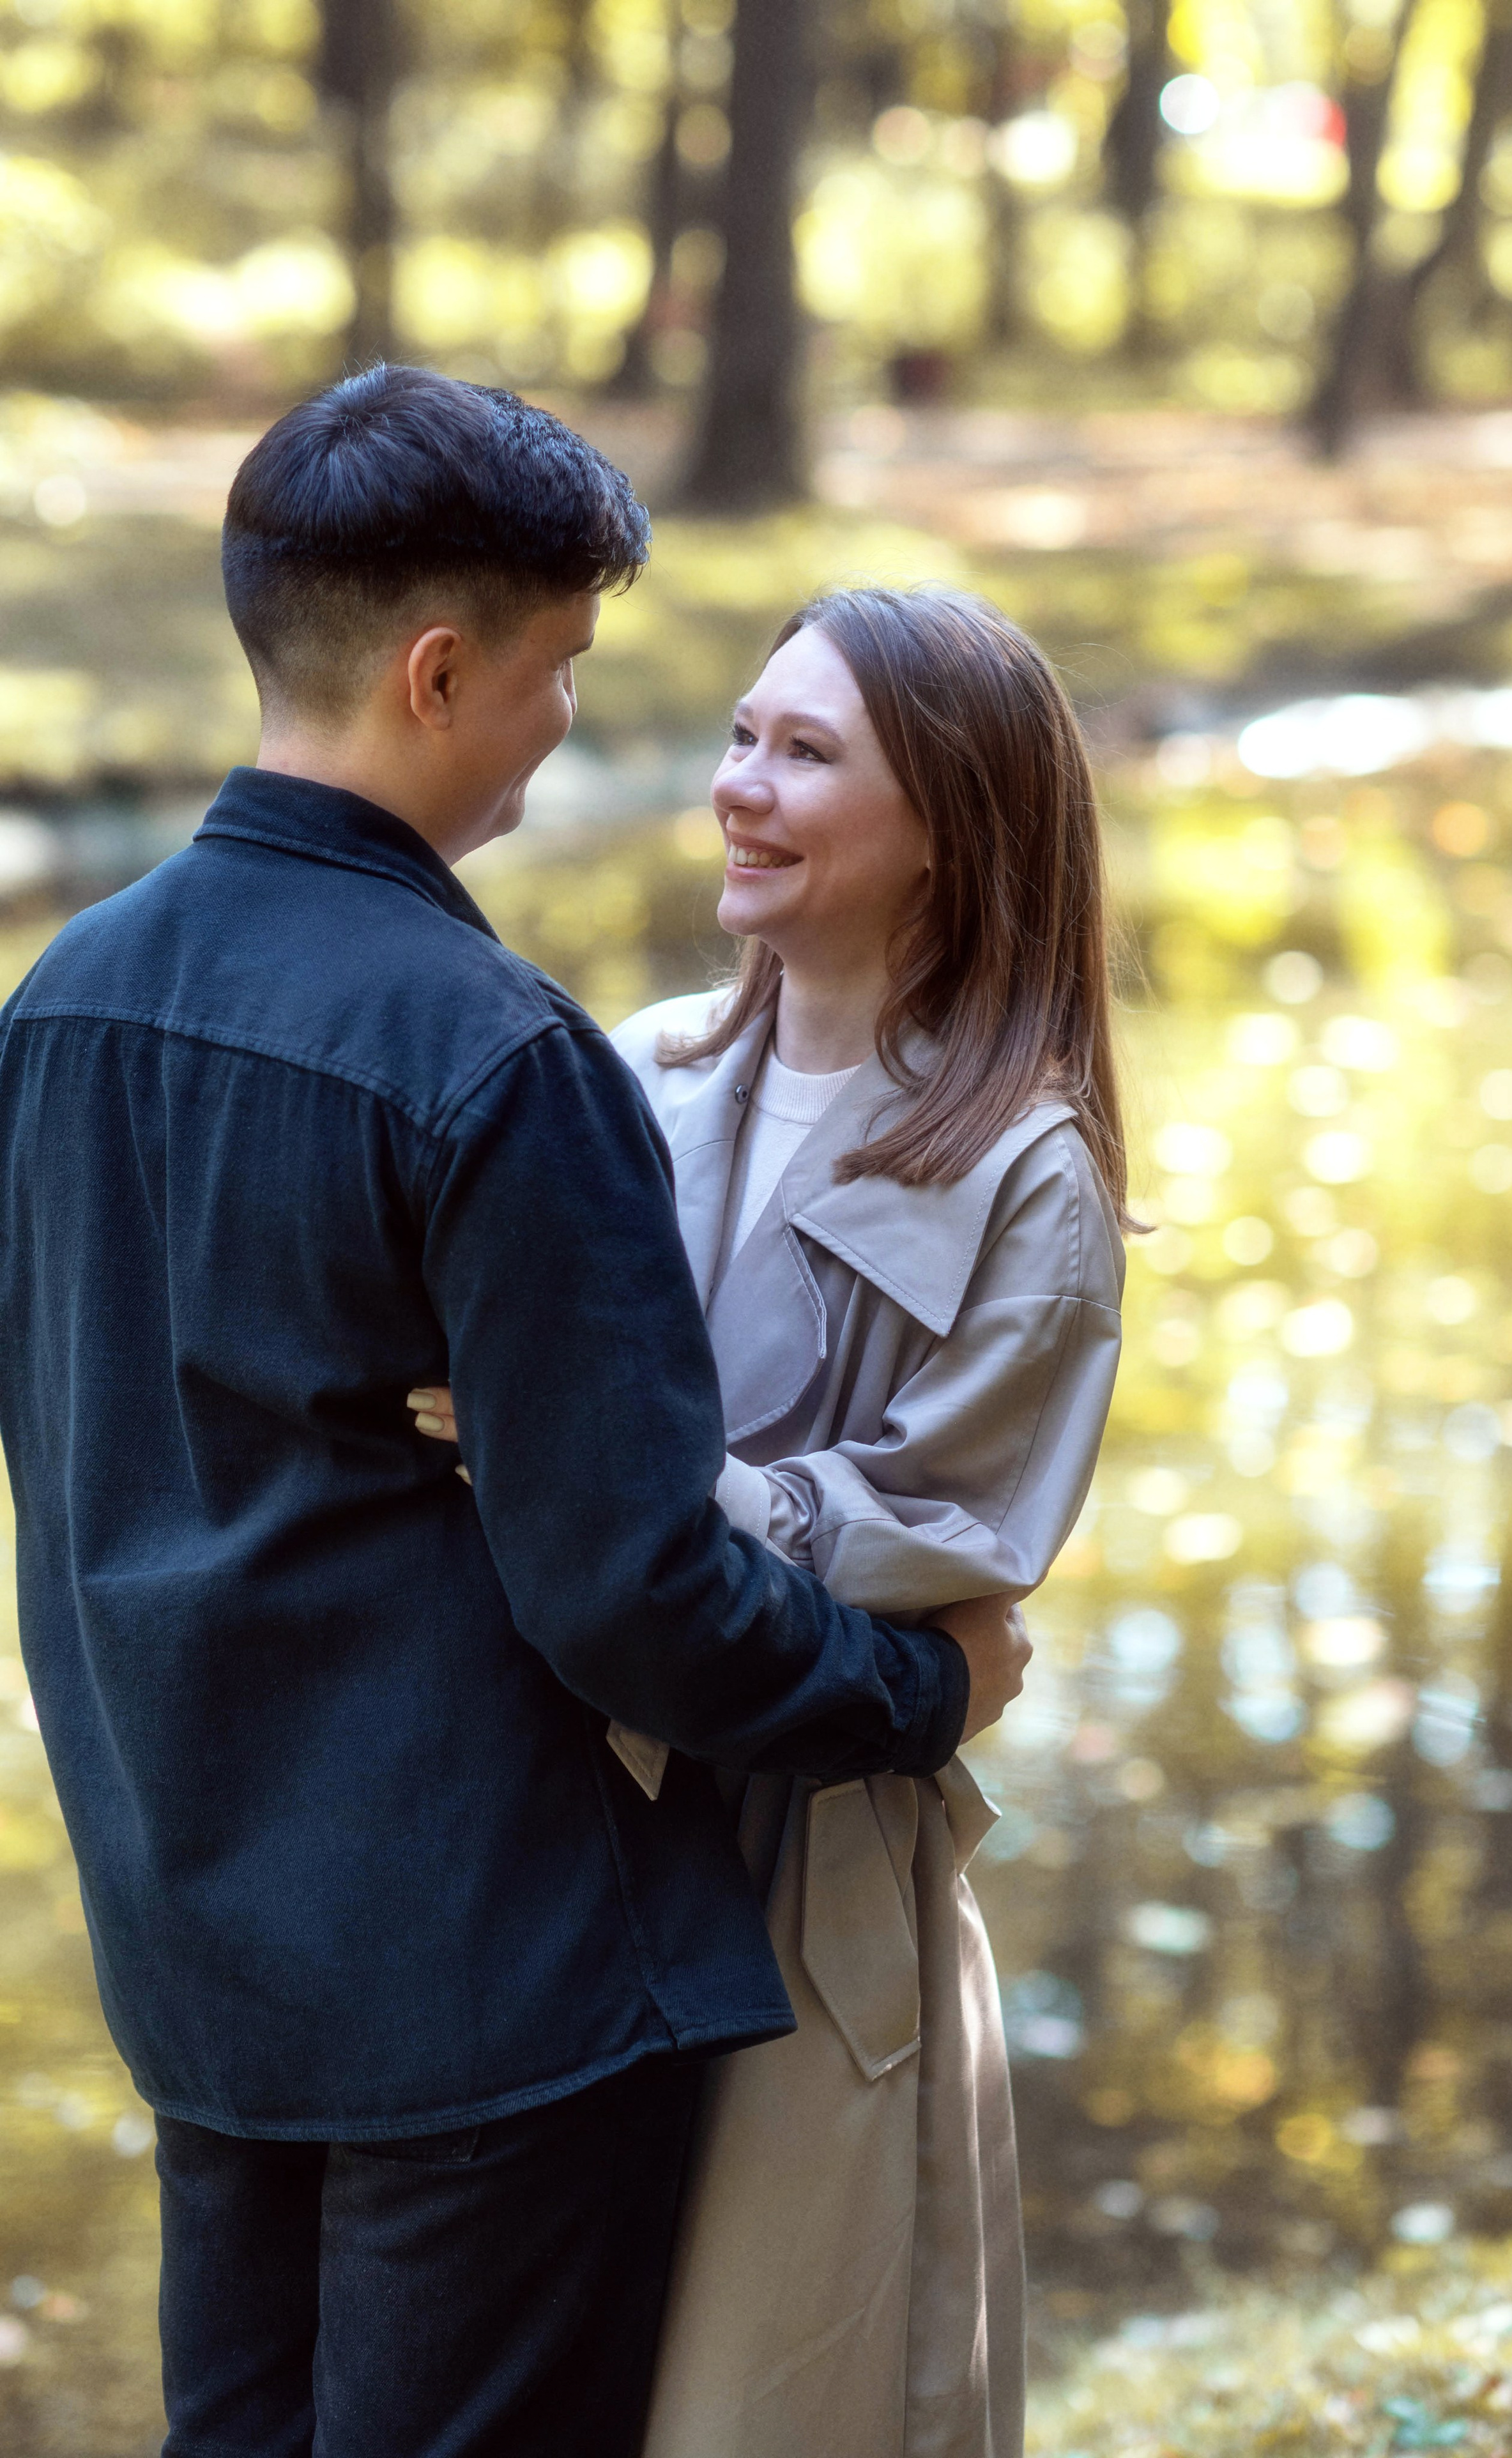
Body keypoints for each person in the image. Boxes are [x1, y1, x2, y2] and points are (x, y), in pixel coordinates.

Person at [0, 369, 1027, 2458]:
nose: (567, 732)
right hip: (499, 1996)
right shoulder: (500, 1060)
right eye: (559, 675)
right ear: (439, 670)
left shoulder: (55, 1008)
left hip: (196, 1952)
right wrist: (918, 1688)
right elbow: (634, 1587)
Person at [416, 584, 1129, 2455]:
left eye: (806, 752)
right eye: (744, 736)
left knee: (778, 2392)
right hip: (557, 1845)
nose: (740, 784)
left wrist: (585, 1462)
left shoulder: (1025, 1170)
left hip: (811, 1872)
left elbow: (945, 1537)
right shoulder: (634, 1072)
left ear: (955, 821)